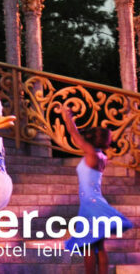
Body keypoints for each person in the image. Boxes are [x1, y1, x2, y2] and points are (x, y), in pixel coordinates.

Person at [60, 105, 133, 274]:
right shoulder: (102, 156)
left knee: (87, 246)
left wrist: (67, 117)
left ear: (91, 140)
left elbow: (74, 134)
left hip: (90, 205)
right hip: (96, 202)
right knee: (99, 245)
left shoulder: (92, 153)